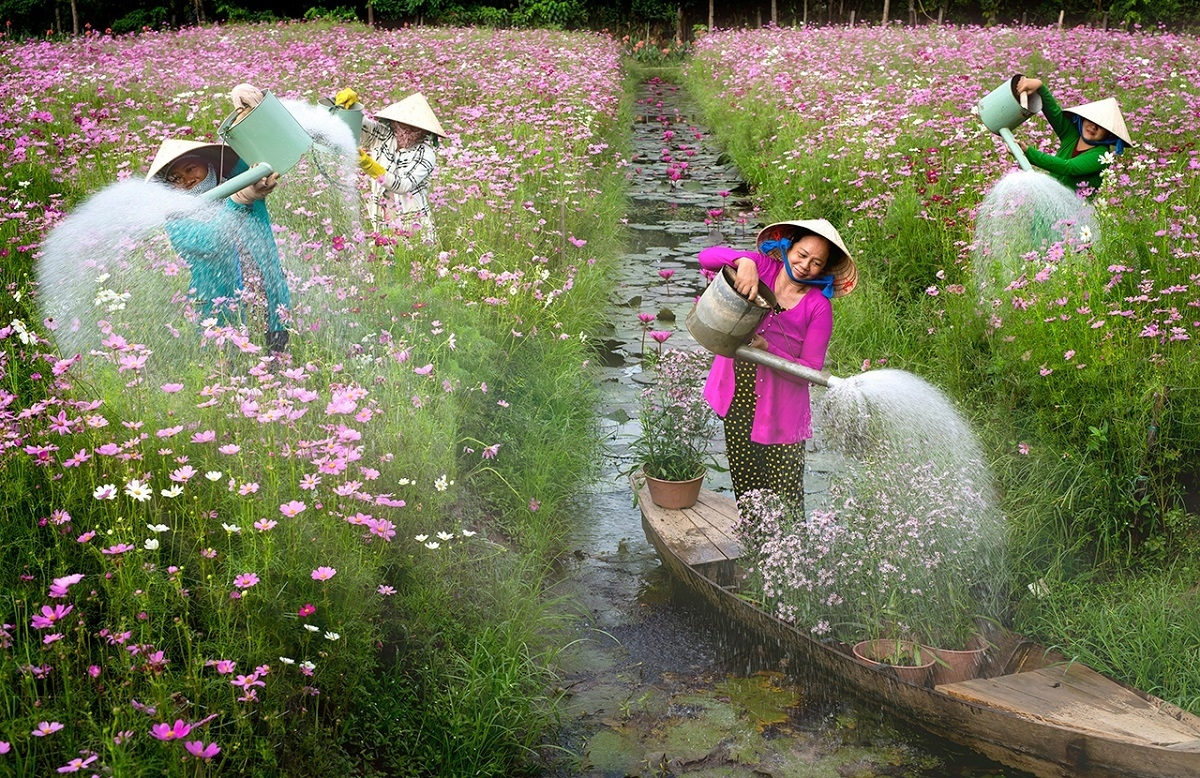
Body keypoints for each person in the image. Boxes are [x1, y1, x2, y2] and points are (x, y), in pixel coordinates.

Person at [697, 219, 857, 512]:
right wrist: (743, 261)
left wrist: (768, 349)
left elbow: (810, 369)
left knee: (787, 499)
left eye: (816, 262)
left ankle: (792, 556)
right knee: (748, 491)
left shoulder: (819, 306)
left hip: (782, 409)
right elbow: (705, 257)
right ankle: (756, 549)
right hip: (738, 394)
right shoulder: (763, 268)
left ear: (823, 270)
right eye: (802, 253)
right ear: (788, 245)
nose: (805, 265)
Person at [146, 131, 291, 355]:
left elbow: (258, 151)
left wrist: (247, 110)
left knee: (278, 367)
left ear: (209, 164)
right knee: (235, 376)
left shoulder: (238, 183)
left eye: (190, 168)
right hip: (223, 318)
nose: (185, 179)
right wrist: (240, 201)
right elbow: (212, 240)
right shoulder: (177, 220)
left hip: (271, 302)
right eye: (174, 178)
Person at [332, 88, 447, 239]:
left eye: (415, 129)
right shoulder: (383, 135)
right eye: (404, 126)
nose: (408, 132)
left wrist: (368, 165)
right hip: (382, 220)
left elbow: (403, 185)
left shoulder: (425, 154)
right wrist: (351, 107)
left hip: (414, 227)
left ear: (425, 132)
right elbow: (358, 126)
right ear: (395, 123)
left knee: (409, 259)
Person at [1015, 76, 1131, 197]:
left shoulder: (1101, 155)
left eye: (1101, 126)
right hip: (1049, 202)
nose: (1093, 127)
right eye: (1091, 120)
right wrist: (1040, 87)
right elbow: (1054, 113)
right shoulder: (1072, 136)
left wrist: (1028, 152)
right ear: (1083, 119)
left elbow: (1068, 168)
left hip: (1074, 211)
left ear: (1109, 134)